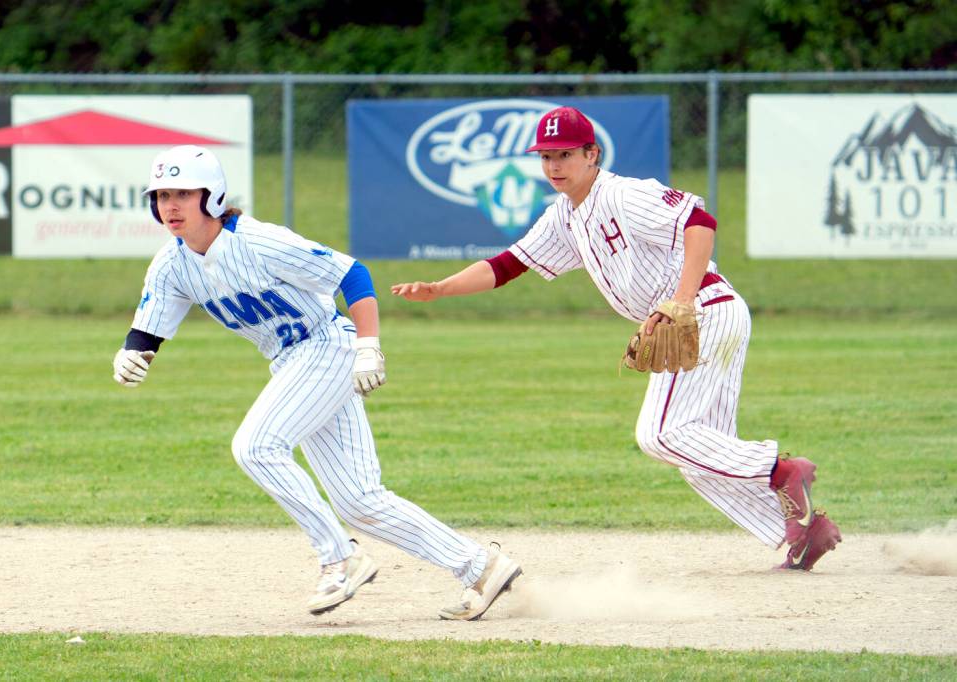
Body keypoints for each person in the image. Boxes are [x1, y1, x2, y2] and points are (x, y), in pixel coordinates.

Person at [392, 107, 842, 571]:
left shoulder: (624, 194)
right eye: (546, 156)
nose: (553, 166)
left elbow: (701, 223)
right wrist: (441, 288)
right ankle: (804, 533)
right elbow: (508, 265)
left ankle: (784, 471)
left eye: (565, 154)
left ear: (593, 154)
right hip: (701, 319)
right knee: (701, 455)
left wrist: (682, 300)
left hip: (705, 312)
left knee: (660, 435)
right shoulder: (564, 216)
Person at [112, 144, 521, 619]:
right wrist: (131, 353)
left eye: (183, 193)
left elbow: (352, 273)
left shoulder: (260, 241)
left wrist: (369, 346)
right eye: (161, 195)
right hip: (292, 363)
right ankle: (481, 567)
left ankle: (339, 557)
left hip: (327, 346)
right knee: (361, 500)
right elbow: (149, 326)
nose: (170, 205)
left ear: (212, 195)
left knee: (256, 447)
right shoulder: (171, 262)